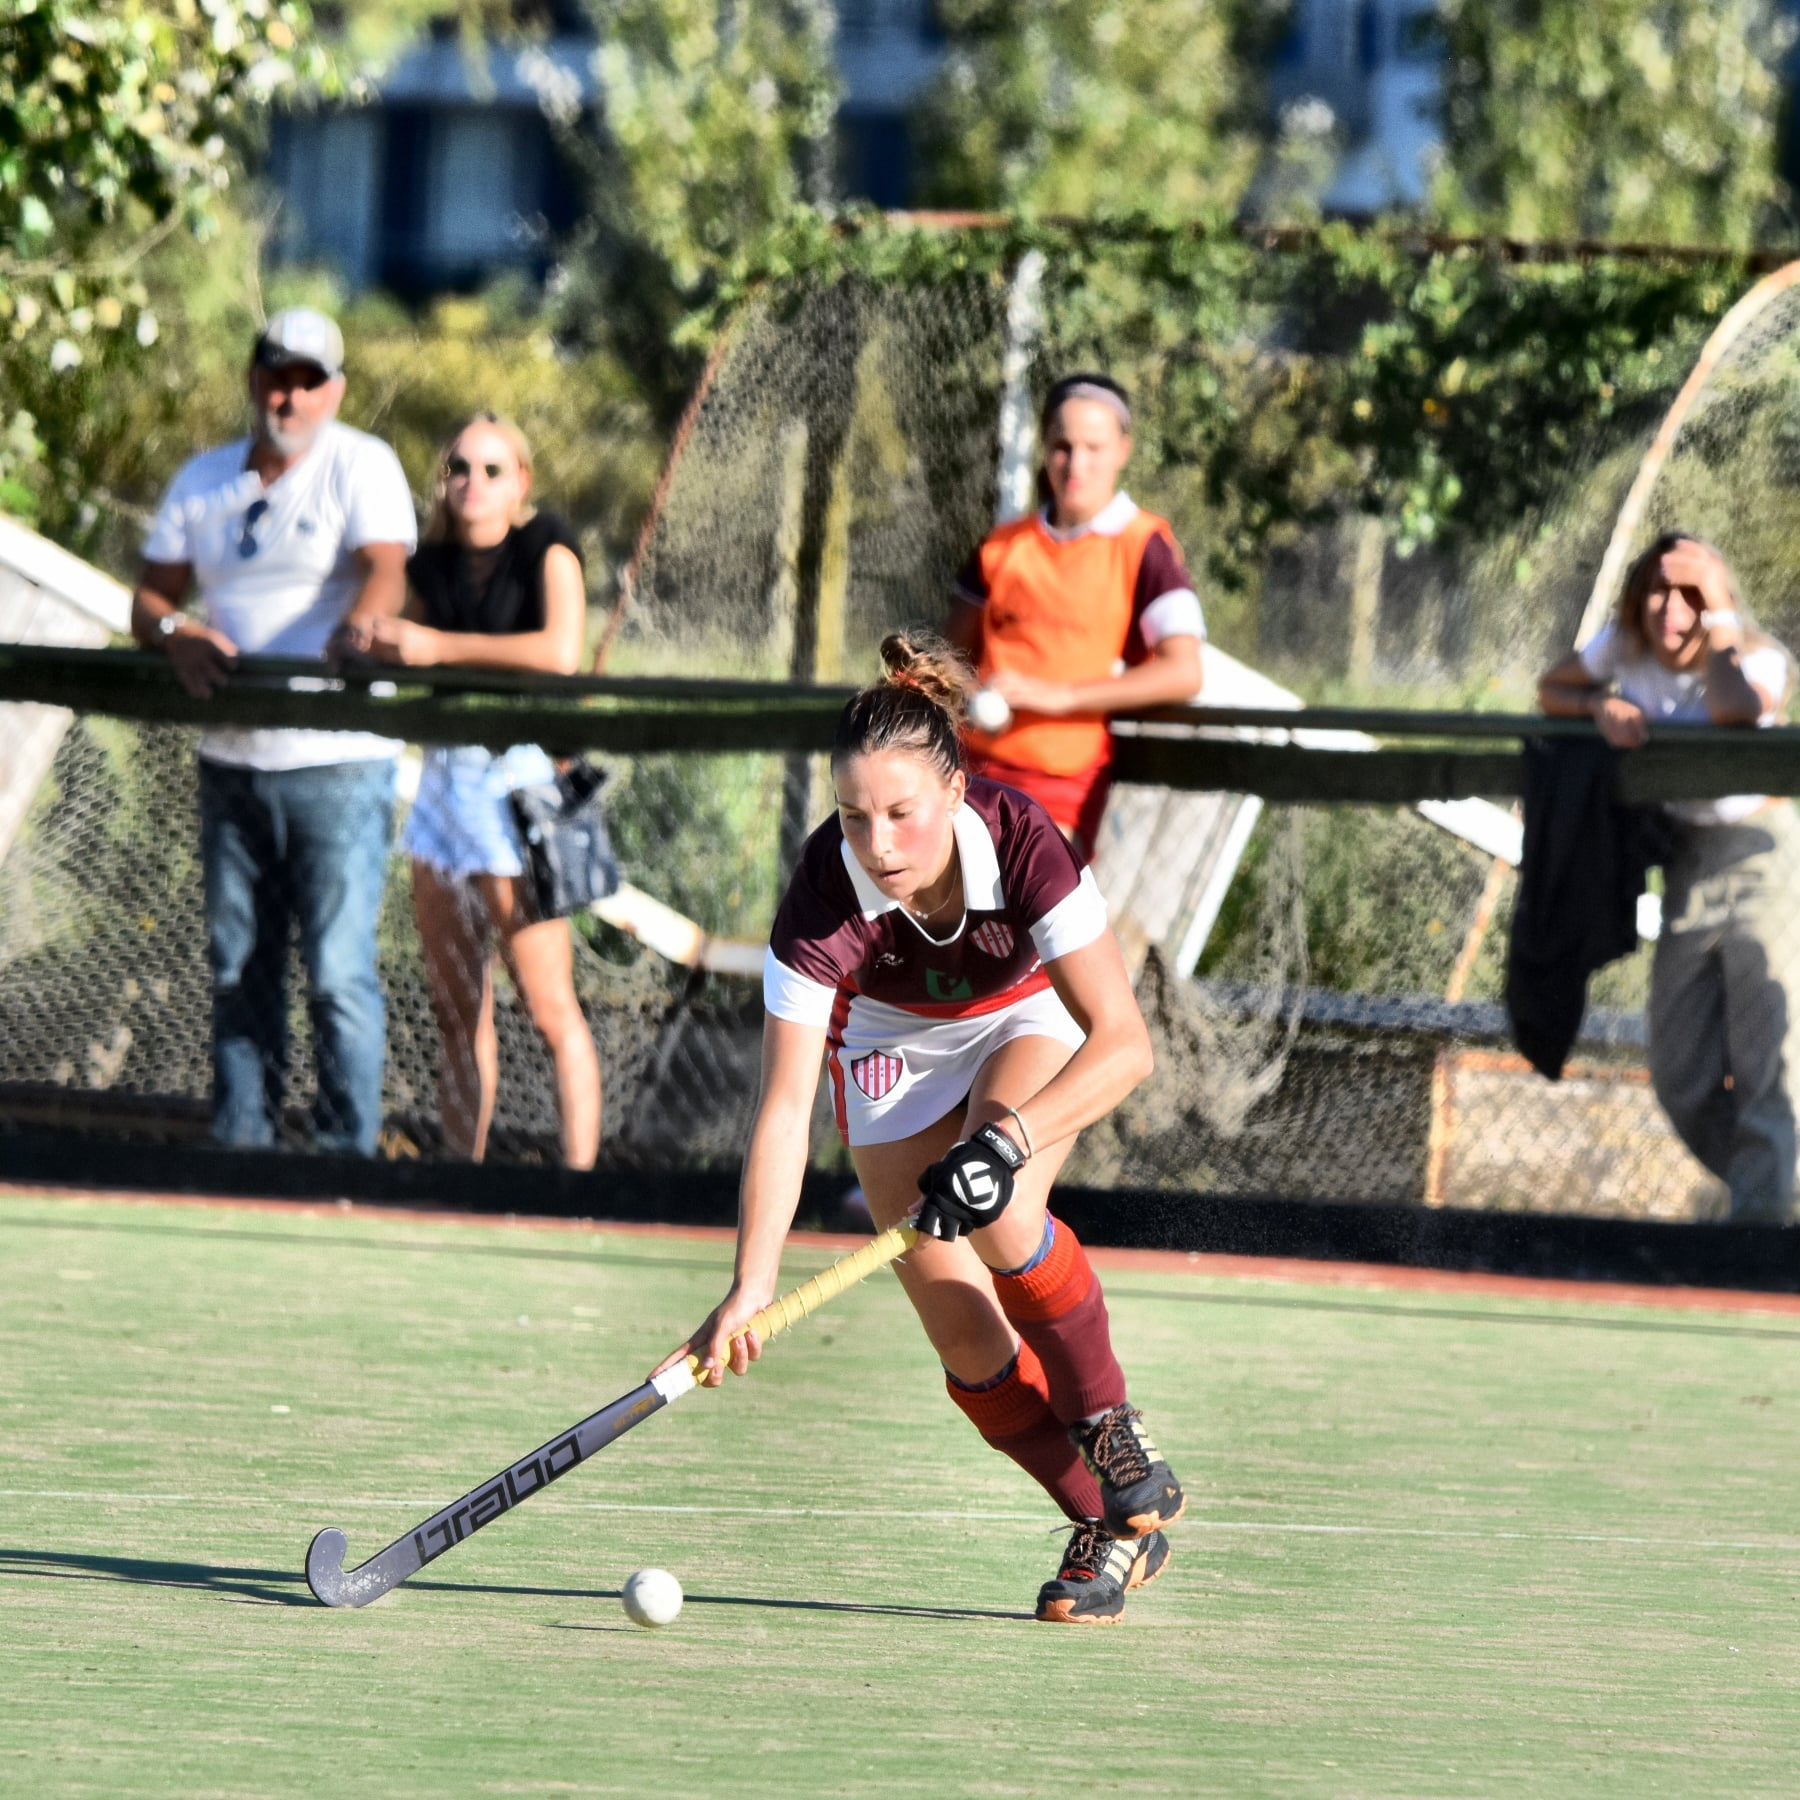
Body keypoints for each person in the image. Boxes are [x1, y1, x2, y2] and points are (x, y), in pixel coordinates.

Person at [655, 636, 1186, 1624]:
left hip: (1021, 1012)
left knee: (1000, 1207)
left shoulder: (1023, 839)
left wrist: (1009, 1142)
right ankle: (1105, 1524)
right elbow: (782, 1109)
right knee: (963, 1336)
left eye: (902, 813)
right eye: (856, 818)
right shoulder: (820, 902)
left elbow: (1124, 1046)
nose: (882, 843)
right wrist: (749, 1286)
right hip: (891, 1041)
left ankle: (1112, 1429)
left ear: (953, 788)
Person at [131, 308, 416, 1154]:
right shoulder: (202, 479)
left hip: (339, 765)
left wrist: (360, 630)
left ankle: (344, 1164)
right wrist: (177, 634)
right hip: (231, 763)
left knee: (336, 973)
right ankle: (241, 1154)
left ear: (336, 391)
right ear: (254, 381)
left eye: (308, 380)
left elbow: (387, 571)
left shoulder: (363, 464)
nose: (289, 397)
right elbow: (148, 600)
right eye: (276, 377)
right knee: (238, 967)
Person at [1538, 531, 1799, 1219]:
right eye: (1658, 588)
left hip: (1759, 855)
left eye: (1690, 591)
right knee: (1680, 1073)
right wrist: (1600, 706)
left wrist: (1717, 620)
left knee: (1765, 1054)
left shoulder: (1759, 657)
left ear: (1718, 601)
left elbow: (1735, 710)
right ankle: (1774, 1190)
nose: (1671, 606)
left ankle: (1759, 1240)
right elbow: (1553, 687)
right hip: (1688, 860)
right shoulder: (1625, 651)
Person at [365, 413, 602, 1167]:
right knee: (456, 1010)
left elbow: (559, 653)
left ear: (521, 482)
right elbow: (388, 632)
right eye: (460, 467)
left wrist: (436, 649)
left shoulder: (546, 547)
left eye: (493, 470)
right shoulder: (428, 564)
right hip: (441, 788)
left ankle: (581, 1189)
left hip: (519, 789)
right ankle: (458, 1176)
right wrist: (373, 637)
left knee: (548, 1006)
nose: (473, 483)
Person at [947, 371, 1206, 861]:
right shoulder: (1003, 545)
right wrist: (967, 691)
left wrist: (1060, 697)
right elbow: (946, 660)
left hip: (1063, 782)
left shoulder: (1144, 545)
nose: (1075, 464)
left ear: (1122, 450)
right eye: (1063, 446)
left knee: (1036, 928)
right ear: (1043, 446)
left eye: (1094, 447)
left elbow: (1184, 672)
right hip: (970, 771)